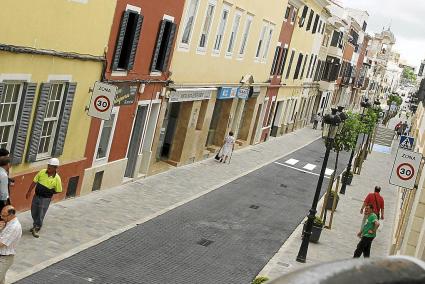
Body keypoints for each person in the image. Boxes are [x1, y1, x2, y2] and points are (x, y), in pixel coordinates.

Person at [25, 158, 62, 238]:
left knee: (41, 213)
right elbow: (34, 181)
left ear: (55, 168)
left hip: (45, 199)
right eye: (48, 165)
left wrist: (50, 192)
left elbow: (59, 190)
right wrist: (29, 191)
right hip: (37, 196)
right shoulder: (42, 172)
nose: (48, 167)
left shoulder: (57, 178)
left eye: (50, 166)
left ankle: (37, 227)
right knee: (34, 211)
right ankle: (35, 224)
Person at [0, 205, 22, 284]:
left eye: (3, 215)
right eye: (1, 214)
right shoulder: (7, 223)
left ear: (11, 215)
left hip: (4, 259)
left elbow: (1, 244)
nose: (1, 217)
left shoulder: (14, 227)